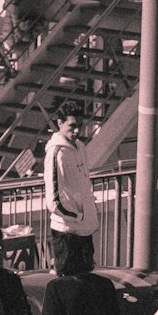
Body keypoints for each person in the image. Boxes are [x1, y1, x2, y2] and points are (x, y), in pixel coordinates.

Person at [44, 101, 99, 276]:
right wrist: (76, 216)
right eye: (72, 126)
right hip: (66, 232)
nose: (77, 131)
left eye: (80, 126)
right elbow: (53, 200)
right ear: (60, 124)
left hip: (84, 229)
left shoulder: (80, 147)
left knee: (86, 280)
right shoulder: (56, 153)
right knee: (68, 283)